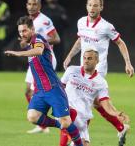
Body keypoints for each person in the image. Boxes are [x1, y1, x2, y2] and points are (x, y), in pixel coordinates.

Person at [63, 0, 134, 145]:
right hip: (83, 67)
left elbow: (120, 43)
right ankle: (120, 127)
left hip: (98, 69)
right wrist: (70, 56)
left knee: (85, 102)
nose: (92, 8)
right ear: (86, 6)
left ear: (101, 7)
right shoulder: (81, 22)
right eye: (90, 5)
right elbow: (80, 40)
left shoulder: (106, 26)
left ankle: (77, 139)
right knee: (92, 102)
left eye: (96, 5)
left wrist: (127, 62)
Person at [5, 16, 84, 146]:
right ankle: (62, 124)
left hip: (53, 88)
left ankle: (78, 143)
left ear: (32, 29)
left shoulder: (38, 39)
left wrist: (18, 53)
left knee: (66, 123)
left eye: (25, 31)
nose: (22, 34)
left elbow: (39, 50)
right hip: (40, 90)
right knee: (32, 116)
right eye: (20, 31)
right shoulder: (30, 43)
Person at [60, 48, 130, 146]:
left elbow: (105, 104)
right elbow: (60, 88)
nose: (86, 61)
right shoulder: (71, 70)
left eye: (89, 58)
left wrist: (117, 113)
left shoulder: (101, 83)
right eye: (84, 58)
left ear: (97, 61)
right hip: (68, 114)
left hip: (83, 119)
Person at [23, 0, 60, 134]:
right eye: (29, 4)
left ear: (39, 6)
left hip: (45, 59)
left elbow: (56, 39)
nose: (31, 7)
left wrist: (40, 43)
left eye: (34, 4)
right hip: (33, 59)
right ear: (26, 5)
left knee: (38, 90)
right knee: (28, 90)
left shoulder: (44, 20)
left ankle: (55, 120)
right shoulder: (27, 21)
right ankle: (41, 122)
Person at [43, 0, 69, 71]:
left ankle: (58, 70)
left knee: (59, 54)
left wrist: (63, 19)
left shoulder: (60, 9)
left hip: (58, 35)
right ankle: (47, 69)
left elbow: (67, 23)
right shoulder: (44, 10)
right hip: (47, 36)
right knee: (47, 52)